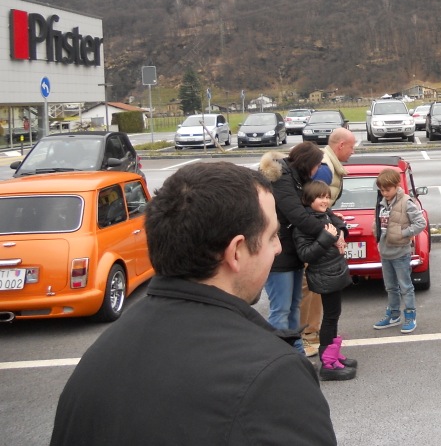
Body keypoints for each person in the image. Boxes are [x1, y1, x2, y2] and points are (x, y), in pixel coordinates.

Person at [49, 161, 338, 446]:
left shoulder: (96, 361)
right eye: (272, 236)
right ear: (236, 252)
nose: (278, 247)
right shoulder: (273, 376)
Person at [259, 142, 325, 352]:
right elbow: (297, 215)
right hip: (278, 254)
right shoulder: (281, 179)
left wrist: (333, 222)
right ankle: (279, 354)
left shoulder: (298, 178)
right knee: (281, 309)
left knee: (295, 304)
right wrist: (327, 233)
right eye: (317, 165)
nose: (318, 169)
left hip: (293, 251)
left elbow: (311, 207)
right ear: (307, 163)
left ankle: (296, 352)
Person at [301, 128, 357, 355]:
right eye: (352, 147)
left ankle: (320, 341)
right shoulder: (325, 170)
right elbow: (313, 202)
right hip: (317, 243)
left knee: (326, 304)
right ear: (341, 145)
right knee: (311, 289)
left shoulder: (328, 165)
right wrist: (328, 231)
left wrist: (334, 221)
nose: (353, 152)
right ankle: (309, 334)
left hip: (321, 236)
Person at [294, 180, 357, 380]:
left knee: (334, 315)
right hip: (324, 275)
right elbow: (306, 254)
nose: (325, 201)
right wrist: (328, 237)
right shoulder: (305, 224)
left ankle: (333, 354)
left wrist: (340, 234)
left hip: (333, 272)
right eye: (320, 197)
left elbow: (337, 222)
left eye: (327, 197)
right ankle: (328, 363)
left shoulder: (323, 215)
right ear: (309, 199)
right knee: (330, 317)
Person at [372, 167, 427, 334]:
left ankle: (410, 316)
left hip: (401, 252)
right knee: (390, 286)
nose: (384, 193)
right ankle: (393, 314)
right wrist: (377, 236)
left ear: (397, 186)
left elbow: (420, 223)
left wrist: (403, 234)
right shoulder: (381, 202)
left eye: (387, 190)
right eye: (381, 190)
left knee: (405, 286)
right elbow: (378, 223)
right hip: (385, 252)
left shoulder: (406, 202)